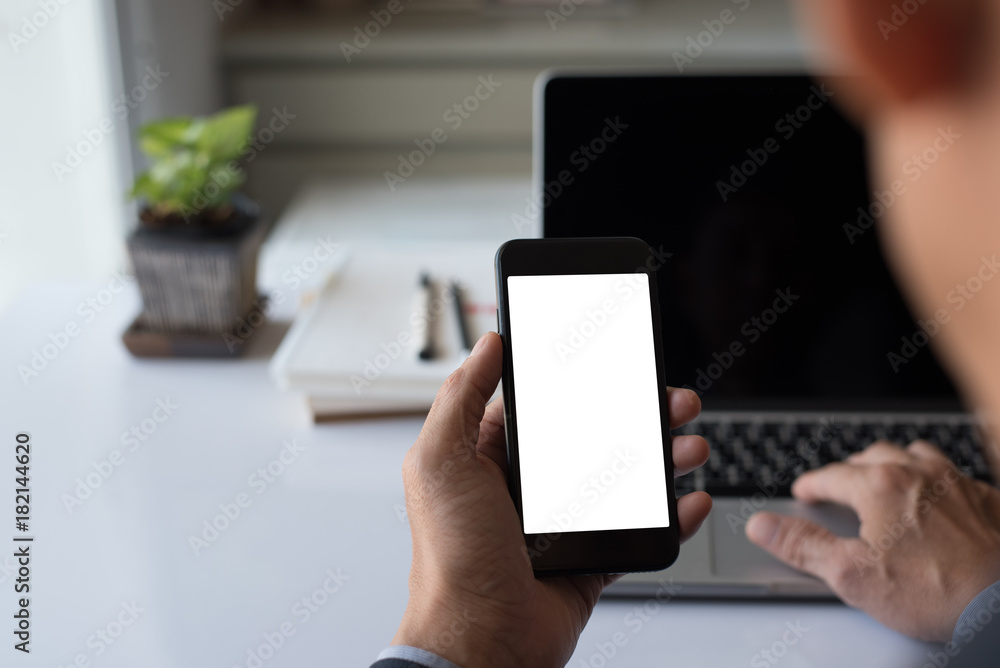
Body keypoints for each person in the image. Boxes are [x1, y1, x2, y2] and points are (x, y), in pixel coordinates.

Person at [371, 0, 1000, 665]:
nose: (759, 284)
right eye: (735, 257)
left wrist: (465, 636)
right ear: (688, 277)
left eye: (780, 259)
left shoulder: (875, 361)